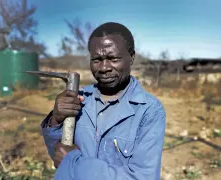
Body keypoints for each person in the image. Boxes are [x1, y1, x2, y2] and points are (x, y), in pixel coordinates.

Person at [41, 22, 166, 180]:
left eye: (113, 58)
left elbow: (142, 177)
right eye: (96, 60)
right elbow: (58, 156)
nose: (104, 67)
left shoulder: (149, 110)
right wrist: (55, 121)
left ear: (131, 57)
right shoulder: (78, 99)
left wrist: (74, 163)